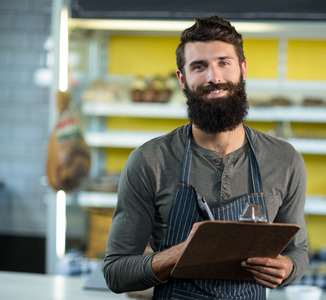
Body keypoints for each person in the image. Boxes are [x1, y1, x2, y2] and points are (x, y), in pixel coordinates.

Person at [103, 15, 308, 299]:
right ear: (182, 79)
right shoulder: (150, 161)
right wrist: (179, 255)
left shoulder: (284, 160)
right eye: (199, 66)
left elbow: (298, 251)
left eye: (224, 63)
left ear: (243, 69)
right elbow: (116, 271)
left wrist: (287, 267)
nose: (214, 77)